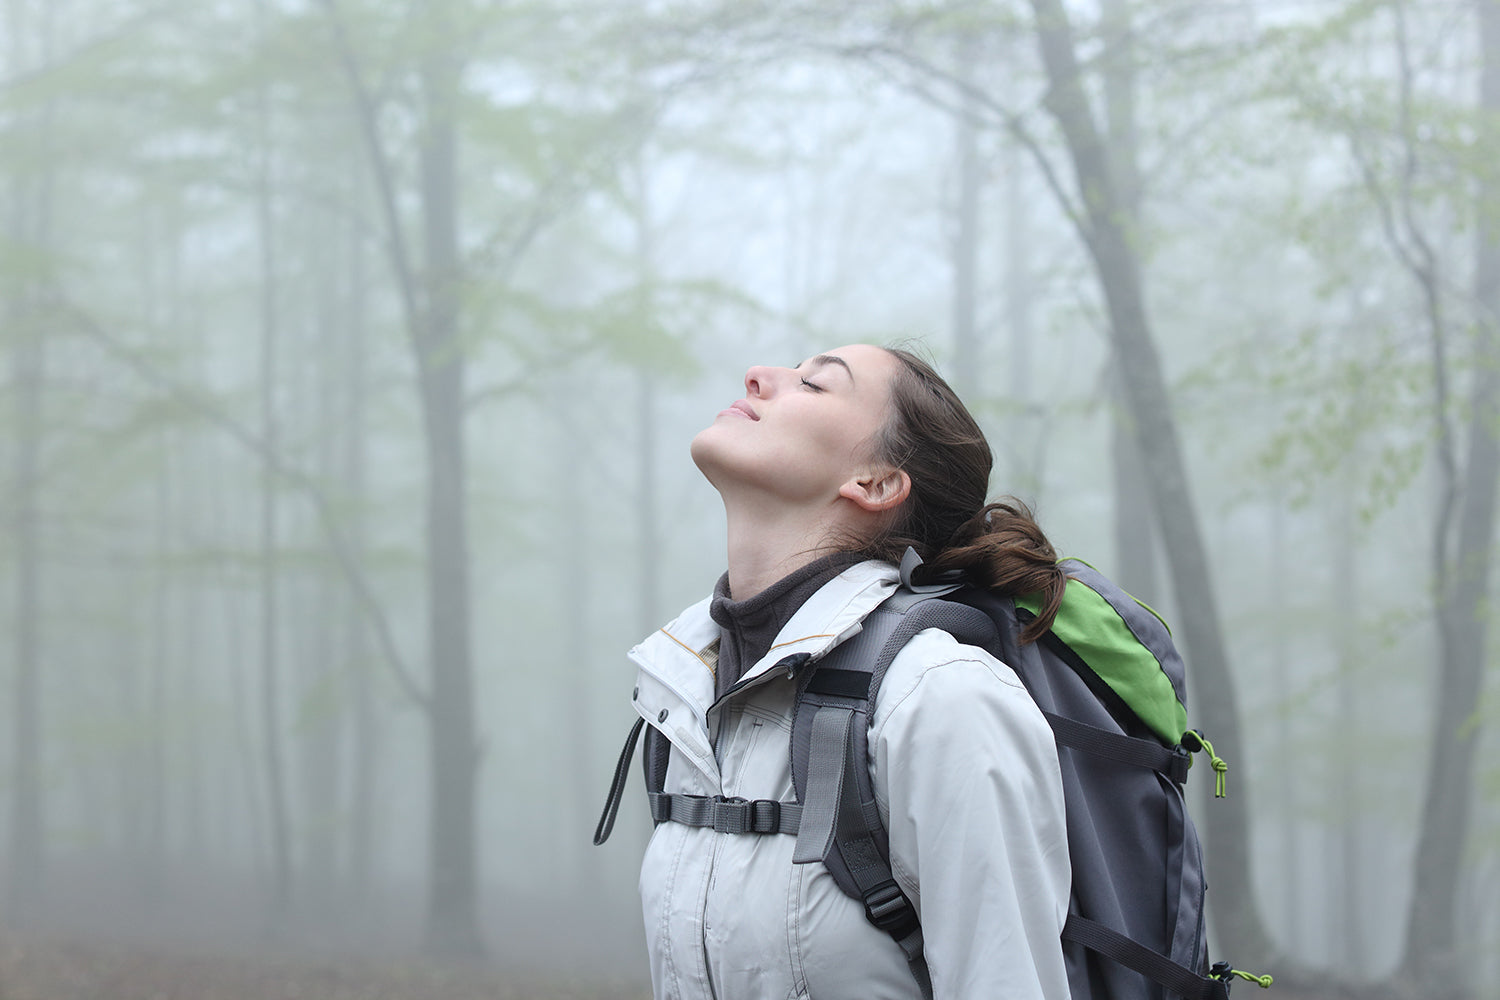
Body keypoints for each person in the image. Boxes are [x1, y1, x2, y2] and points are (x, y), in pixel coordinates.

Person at [627, 343, 1072, 999]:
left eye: (813, 384)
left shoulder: (939, 697)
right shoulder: (683, 690)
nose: (757, 375)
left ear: (876, 483)